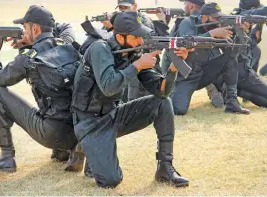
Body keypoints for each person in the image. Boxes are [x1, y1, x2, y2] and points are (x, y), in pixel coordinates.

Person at [71, 11, 189, 188]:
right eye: (136, 38)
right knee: (111, 181)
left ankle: (165, 167)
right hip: (90, 123)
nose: (141, 42)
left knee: (163, 103)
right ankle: (85, 148)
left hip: (113, 115)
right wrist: (137, 65)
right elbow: (109, 87)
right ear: (119, 36)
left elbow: (162, 92)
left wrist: (173, 68)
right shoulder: (99, 48)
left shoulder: (132, 53)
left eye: (141, 36)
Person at [0, 5, 80, 172]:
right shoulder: (67, 44)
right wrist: (31, 41)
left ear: (35, 28)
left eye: (25, 28)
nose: (23, 32)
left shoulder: (27, 59)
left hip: (51, 134)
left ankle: (6, 157)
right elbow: (65, 28)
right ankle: (66, 151)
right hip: (79, 131)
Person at [170, 2, 251, 115]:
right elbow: (187, 42)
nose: (218, 21)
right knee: (178, 110)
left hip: (205, 73)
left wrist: (239, 32)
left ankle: (232, 102)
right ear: (203, 17)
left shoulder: (217, 27)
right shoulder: (188, 23)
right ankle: (170, 93)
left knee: (230, 59)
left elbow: (232, 54)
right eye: (215, 18)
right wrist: (212, 34)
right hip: (186, 76)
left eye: (219, 17)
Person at [160, 0, 224, 108]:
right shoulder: (212, 20)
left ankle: (212, 88)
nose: (184, 7)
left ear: (191, 5)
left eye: (185, 4)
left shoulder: (185, 21)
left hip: (183, 69)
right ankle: (214, 88)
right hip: (205, 66)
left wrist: (163, 21)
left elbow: (168, 43)